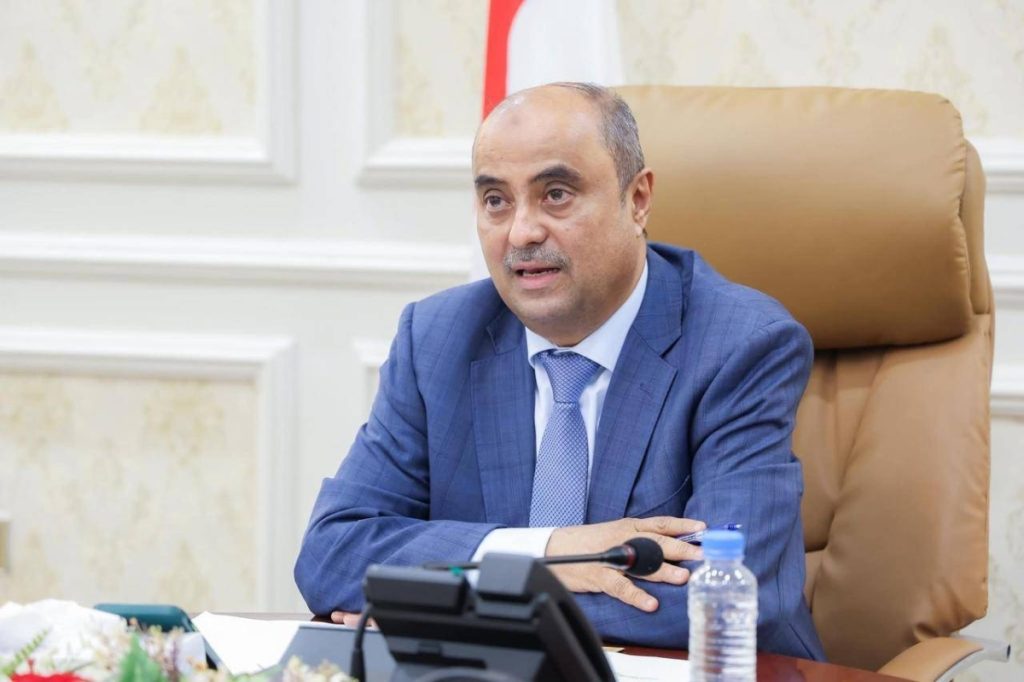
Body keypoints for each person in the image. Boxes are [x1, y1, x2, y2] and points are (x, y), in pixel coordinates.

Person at [294, 82, 824, 660]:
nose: (522, 232)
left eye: (556, 194)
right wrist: (547, 552)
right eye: (496, 200)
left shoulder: (740, 345)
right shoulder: (438, 338)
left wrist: (441, 603)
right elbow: (332, 555)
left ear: (637, 199)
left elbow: (726, 592)